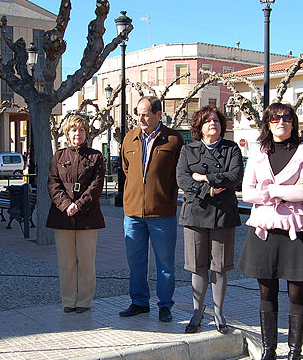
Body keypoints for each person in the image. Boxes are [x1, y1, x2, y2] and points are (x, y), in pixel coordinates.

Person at [238, 103, 303, 360]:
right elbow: (246, 192)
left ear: (293, 122)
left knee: (297, 294)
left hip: (296, 231)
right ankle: (268, 353)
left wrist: (271, 190)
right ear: (268, 122)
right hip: (264, 230)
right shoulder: (258, 153)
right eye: (275, 118)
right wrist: (282, 195)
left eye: (287, 117)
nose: (281, 121)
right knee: (266, 294)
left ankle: (294, 357)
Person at [176, 106, 243, 334]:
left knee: (220, 266)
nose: (212, 123)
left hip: (223, 215)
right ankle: (197, 311)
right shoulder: (188, 150)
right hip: (195, 214)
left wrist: (204, 177)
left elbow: (234, 176)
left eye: (216, 120)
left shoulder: (231, 148)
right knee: (197, 266)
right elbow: (182, 178)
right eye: (207, 121)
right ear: (199, 127)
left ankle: (219, 312)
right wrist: (210, 190)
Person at [119, 96, 184, 322]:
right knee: (136, 261)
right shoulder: (129, 139)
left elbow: (179, 174)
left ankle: (165, 305)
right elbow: (127, 170)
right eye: (138, 113)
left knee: (165, 264)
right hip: (133, 213)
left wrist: (165, 195)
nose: (141, 118)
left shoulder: (174, 140)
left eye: (146, 113)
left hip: (162, 213)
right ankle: (139, 302)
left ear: (158, 114)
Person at [46, 115, 105, 313]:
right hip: (63, 216)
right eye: (73, 130)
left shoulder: (96, 157)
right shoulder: (59, 157)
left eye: (81, 130)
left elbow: (96, 187)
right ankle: (68, 300)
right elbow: (53, 184)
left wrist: (78, 205)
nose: (77, 134)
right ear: (67, 133)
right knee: (66, 263)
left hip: (88, 216)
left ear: (86, 133)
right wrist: (66, 205)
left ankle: (84, 301)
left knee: (86, 262)